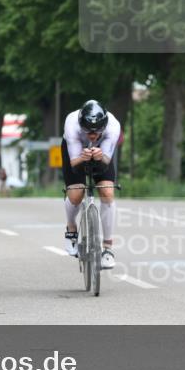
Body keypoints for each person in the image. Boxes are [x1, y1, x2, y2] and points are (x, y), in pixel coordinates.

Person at [62, 99, 121, 269]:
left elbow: (106, 162)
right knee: (76, 193)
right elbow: (74, 164)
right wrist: (82, 157)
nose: (93, 135)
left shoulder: (113, 127)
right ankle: (71, 229)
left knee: (107, 192)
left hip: (102, 151)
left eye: (97, 132)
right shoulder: (72, 124)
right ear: (81, 126)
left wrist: (100, 155)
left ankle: (108, 249)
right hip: (75, 151)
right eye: (88, 131)